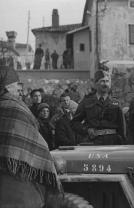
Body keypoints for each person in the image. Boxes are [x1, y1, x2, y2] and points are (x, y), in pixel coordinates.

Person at [0, 66, 61, 207]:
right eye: (17, 86)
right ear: (8, 87)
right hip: (17, 187)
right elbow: (38, 146)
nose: (19, 91)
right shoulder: (16, 109)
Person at [71, 70, 126, 145]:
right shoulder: (86, 102)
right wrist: (86, 130)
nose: (105, 84)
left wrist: (123, 143)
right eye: (102, 81)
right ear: (96, 84)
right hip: (93, 142)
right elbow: (75, 122)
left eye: (107, 81)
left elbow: (122, 127)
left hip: (113, 142)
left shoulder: (116, 102)